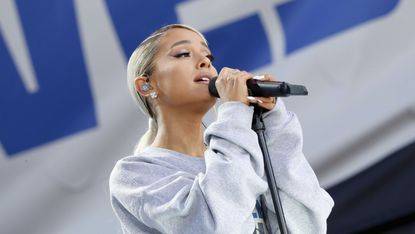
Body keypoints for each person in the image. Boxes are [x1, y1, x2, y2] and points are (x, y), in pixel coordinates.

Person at [109, 24, 334, 234]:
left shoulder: (239, 152)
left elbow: (309, 223)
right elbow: (211, 225)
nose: (205, 62)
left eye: (208, 56)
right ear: (146, 85)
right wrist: (234, 114)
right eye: (183, 54)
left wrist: (273, 123)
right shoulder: (133, 174)